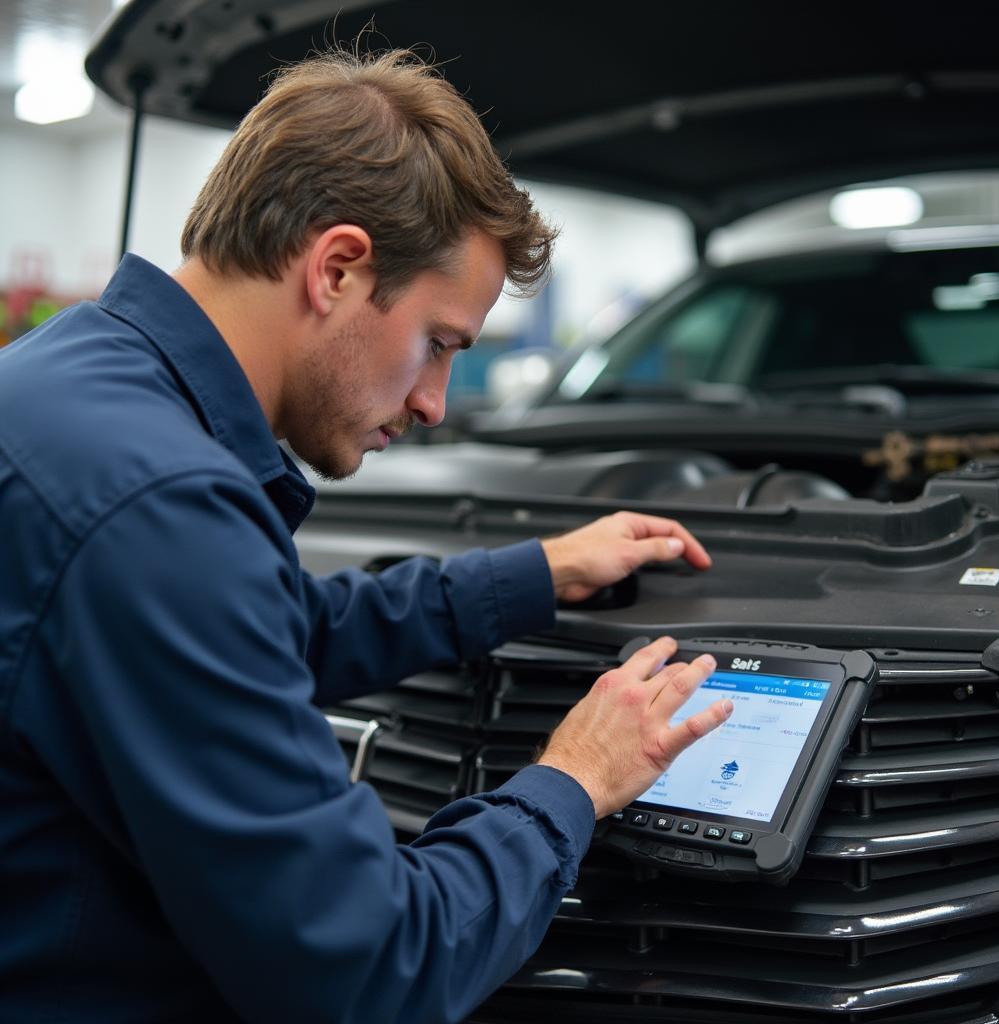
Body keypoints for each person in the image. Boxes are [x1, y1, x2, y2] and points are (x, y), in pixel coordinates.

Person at [0, 48, 732, 1024]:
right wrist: (573, 779)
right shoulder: (162, 506)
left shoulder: (63, 378)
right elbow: (367, 969)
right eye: (439, 343)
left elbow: (265, 633)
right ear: (337, 268)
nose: (434, 402)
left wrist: (534, 574)